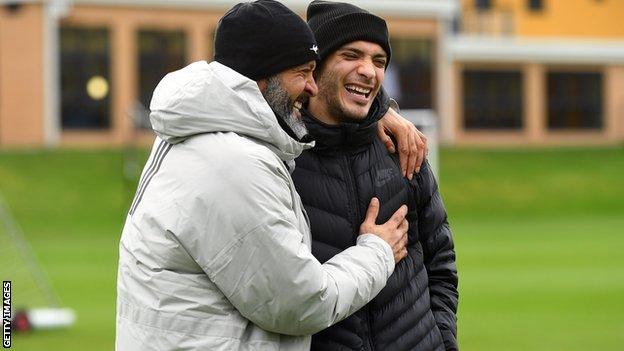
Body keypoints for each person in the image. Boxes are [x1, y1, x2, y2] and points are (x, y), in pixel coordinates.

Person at [115, 1, 426, 350]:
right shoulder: (232, 165)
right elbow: (301, 302)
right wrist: (378, 251)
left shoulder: (203, 128)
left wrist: (376, 111)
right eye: (303, 72)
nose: (311, 88)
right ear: (263, 77)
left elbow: (440, 265)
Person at [291, 1, 459, 350]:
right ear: (315, 68)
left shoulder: (403, 151)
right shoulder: (282, 161)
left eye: (379, 61)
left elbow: (441, 264)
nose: (368, 71)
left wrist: (442, 341)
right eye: (351, 55)